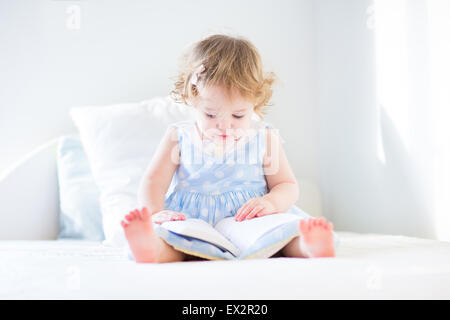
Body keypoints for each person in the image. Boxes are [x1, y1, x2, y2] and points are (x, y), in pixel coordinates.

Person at [121, 34, 337, 263]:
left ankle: (308, 245)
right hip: (193, 222)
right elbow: (153, 181)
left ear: (255, 102)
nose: (224, 126)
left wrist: (271, 203)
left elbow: (286, 185)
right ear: (193, 98)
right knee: (175, 243)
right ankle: (150, 247)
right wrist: (155, 212)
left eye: (238, 115)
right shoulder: (179, 137)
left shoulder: (264, 137)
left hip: (250, 220)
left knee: (282, 236)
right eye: (211, 114)